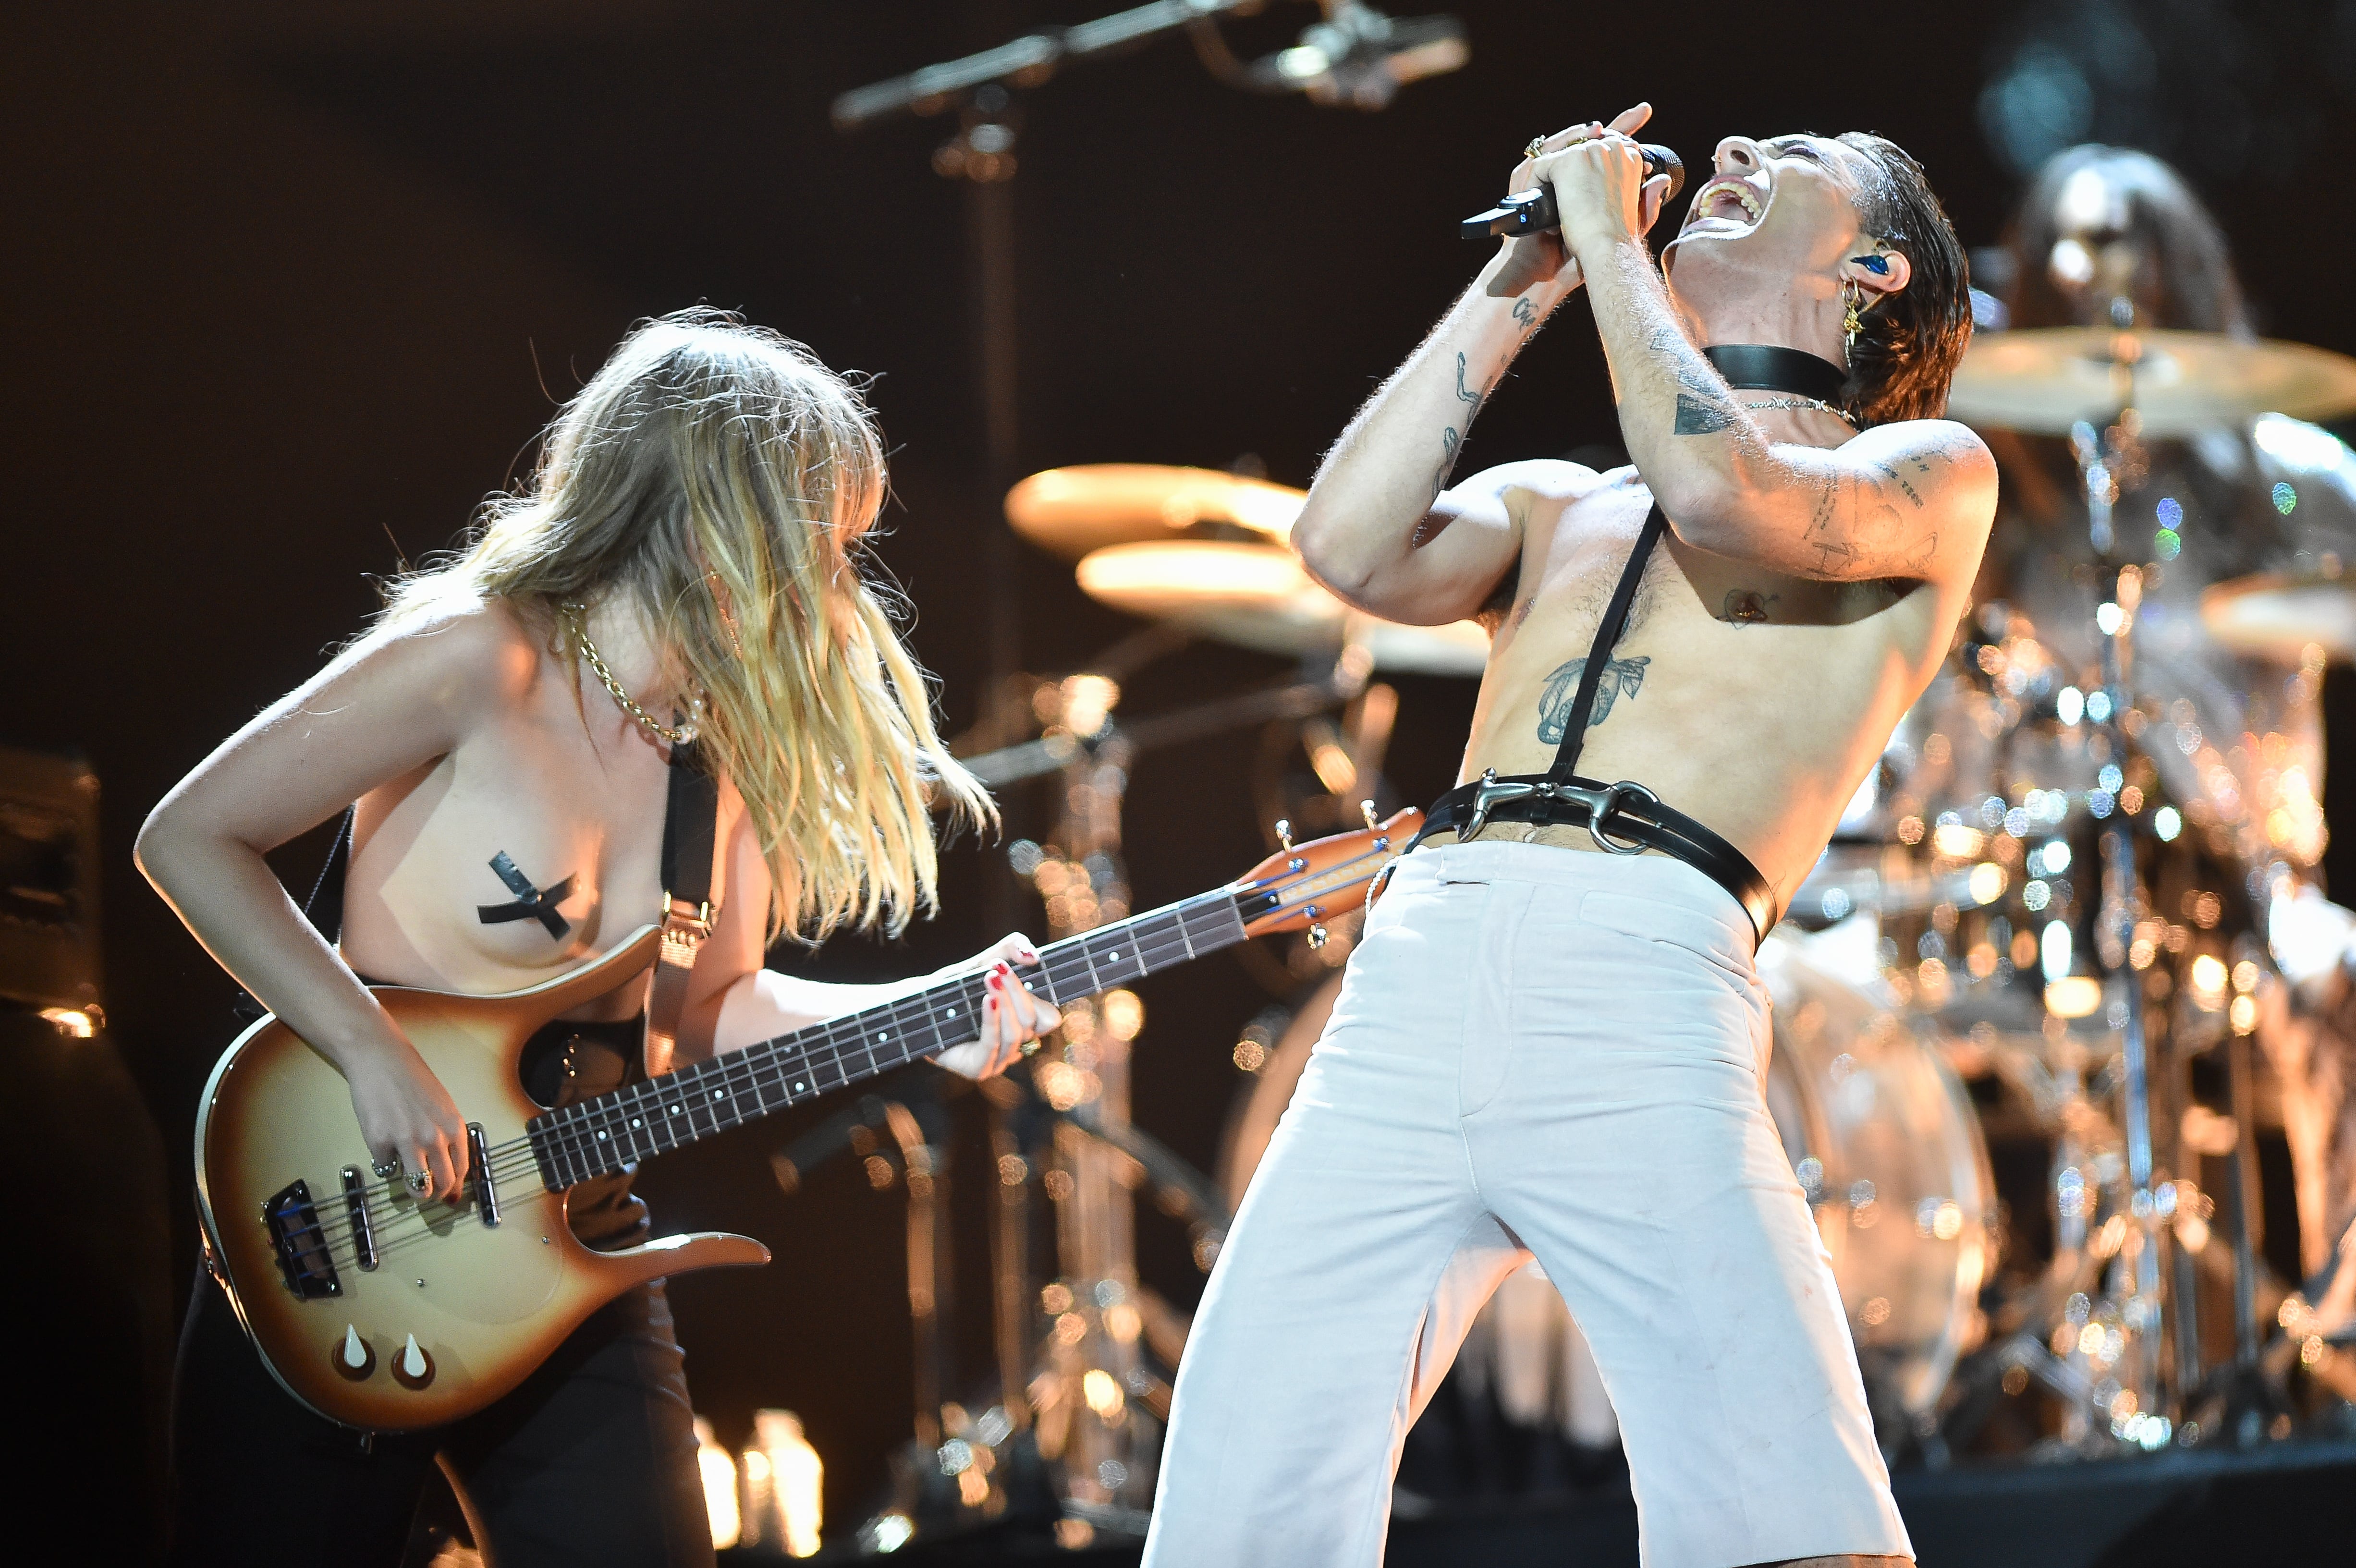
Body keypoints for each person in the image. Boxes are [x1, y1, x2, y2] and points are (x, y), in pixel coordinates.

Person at [1142, 104, 1990, 1567]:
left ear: (1879, 276)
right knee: (1235, 1504)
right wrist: (1527, 275)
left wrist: (1609, 240)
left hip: (1645, 960)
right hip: (1416, 961)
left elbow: (1728, 494)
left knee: (1779, 1511)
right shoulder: (1559, 505)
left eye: (1787, 162)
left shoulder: (1925, 470)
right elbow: (1344, 545)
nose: (1728, 159)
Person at [136, 310, 1061, 1567]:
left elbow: (710, 1006)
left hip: (573, 1238)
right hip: (352, 1218)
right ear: (702, 505)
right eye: (812, 534)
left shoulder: (707, 762)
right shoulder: (479, 659)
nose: (830, 583)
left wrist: (931, 1016)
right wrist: (372, 1052)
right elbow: (190, 836)